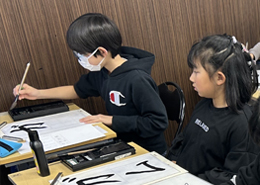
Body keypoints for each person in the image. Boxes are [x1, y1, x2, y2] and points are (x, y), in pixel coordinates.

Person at [13, 13, 167, 154]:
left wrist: (111, 120)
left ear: (102, 52)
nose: (80, 60)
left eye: (82, 55)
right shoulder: (103, 71)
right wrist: (38, 93)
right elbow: (76, 90)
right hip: (121, 143)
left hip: (146, 150)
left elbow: (157, 122)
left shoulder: (137, 79)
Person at [167, 34, 260, 185]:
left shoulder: (242, 124)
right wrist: (172, 162)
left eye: (196, 72)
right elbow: (184, 140)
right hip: (182, 182)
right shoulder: (204, 105)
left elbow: (234, 178)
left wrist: (189, 180)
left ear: (220, 78)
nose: (191, 78)